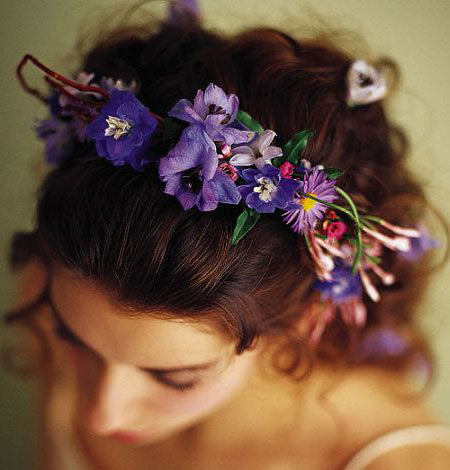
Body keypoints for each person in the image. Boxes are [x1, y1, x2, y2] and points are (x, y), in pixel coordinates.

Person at [4, 0, 450, 468]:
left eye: (177, 378)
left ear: (304, 322)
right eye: (70, 338)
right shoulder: (52, 292)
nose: (100, 413)